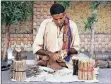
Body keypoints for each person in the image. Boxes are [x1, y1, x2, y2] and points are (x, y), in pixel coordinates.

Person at [33, 4, 80, 70]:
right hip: (48, 56)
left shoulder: (72, 25)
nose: (59, 21)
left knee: (77, 62)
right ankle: (51, 62)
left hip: (64, 57)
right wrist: (50, 54)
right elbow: (36, 48)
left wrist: (64, 53)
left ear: (64, 15)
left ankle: (50, 63)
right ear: (51, 16)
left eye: (61, 18)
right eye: (55, 19)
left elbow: (76, 49)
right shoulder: (46, 24)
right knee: (50, 27)